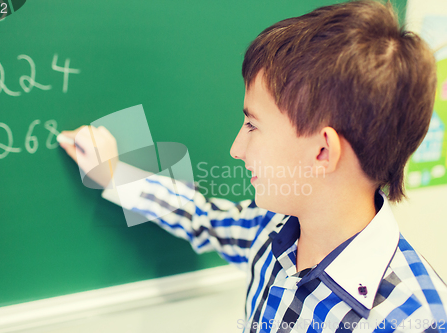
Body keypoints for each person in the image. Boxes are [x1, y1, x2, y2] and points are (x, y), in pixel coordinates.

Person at [59, 1, 447, 332]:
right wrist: (114, 174)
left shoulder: (412, 320)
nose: (236, 148)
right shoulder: (271, 229)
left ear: (322, 151)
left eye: (252, 125)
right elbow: (203, 217)